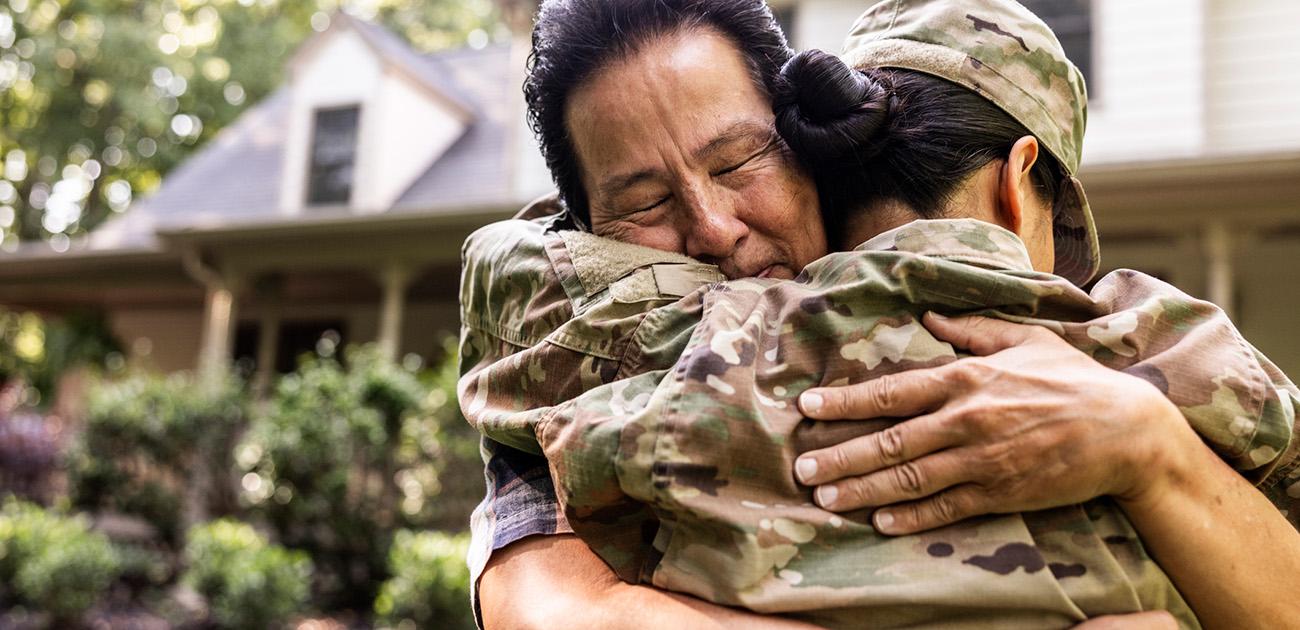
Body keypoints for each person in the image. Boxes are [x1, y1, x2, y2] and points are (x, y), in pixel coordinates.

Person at [461, 1, 1300, 628]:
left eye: (739, 159)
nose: (713, 229)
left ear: (810, 147)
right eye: (644, 202)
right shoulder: (596, 368)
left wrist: (1144, 447)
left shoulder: (1106, 363)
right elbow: (561, 615)